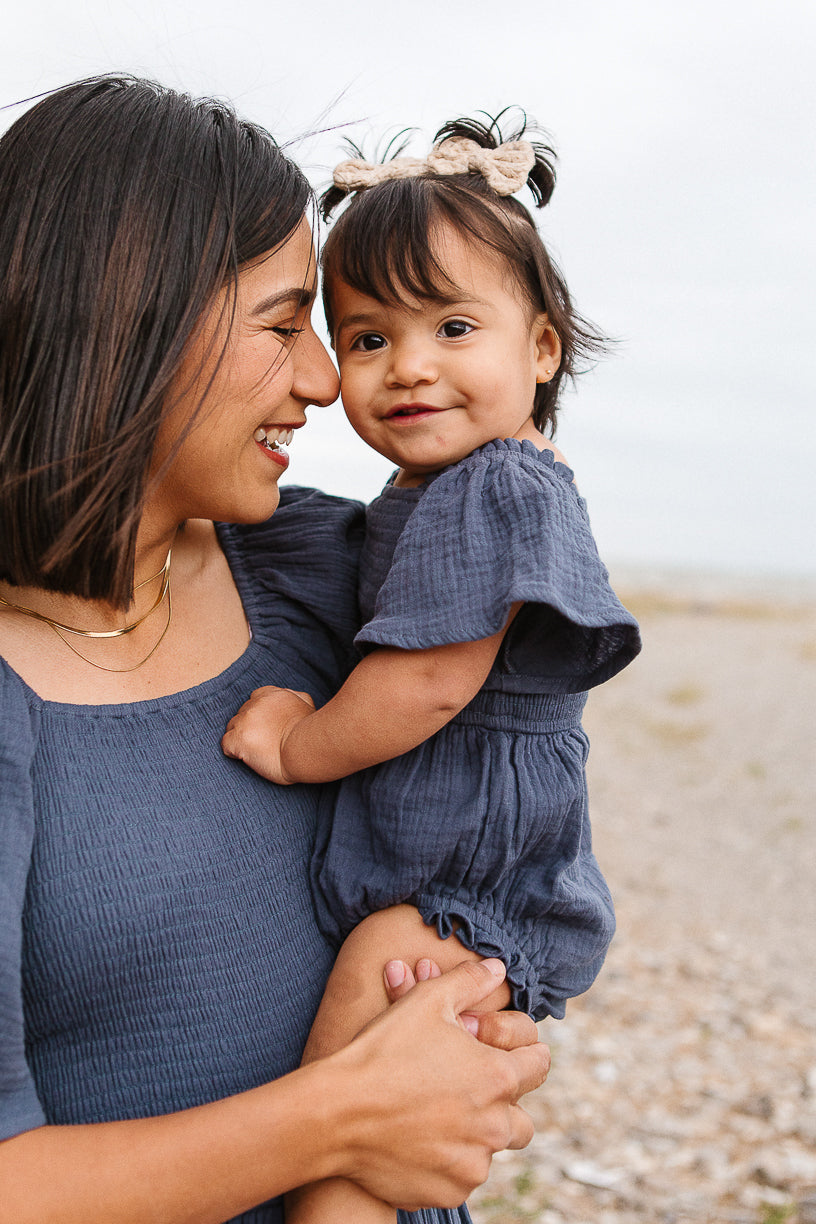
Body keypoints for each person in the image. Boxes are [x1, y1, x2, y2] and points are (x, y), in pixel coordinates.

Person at [0, 78, 552, 1224]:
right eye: (280, 321)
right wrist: (352, 1116)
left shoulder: (309, 570)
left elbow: (498, 779)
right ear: (124, 320)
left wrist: (460, 1023)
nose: (318, 379)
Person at [222, 115, 642, 1223]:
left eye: (454, 326)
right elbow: (332, 545)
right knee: (398, 1048)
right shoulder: (427, 498)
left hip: (482, 855)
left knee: (370, 1011)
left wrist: (296, 743)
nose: (408, 367)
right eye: (366, 339)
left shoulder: (500, 487)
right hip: (442, 834)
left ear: (541, 350)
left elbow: (430, 682)